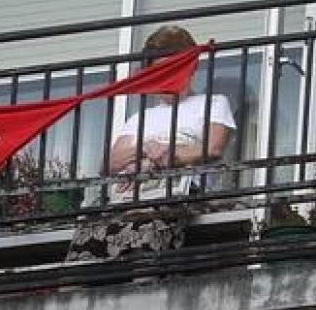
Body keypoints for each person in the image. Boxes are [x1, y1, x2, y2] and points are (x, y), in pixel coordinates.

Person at [67, 25, 235, 261]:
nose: (167, 78)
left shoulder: (213, 103)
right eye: (160, 71)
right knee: (88, 239)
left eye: (174, 69)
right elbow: (109, 164)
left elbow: (212, 148)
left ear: (192, 66)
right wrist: (145, 148)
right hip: (130, 198)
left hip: (177, 193)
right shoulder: (139, 118)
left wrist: (162, 159)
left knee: (147, 234)